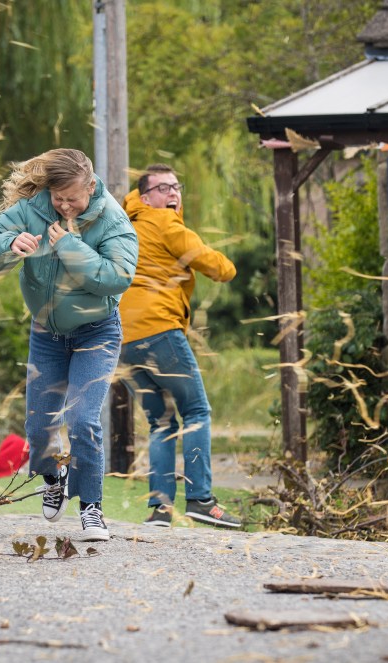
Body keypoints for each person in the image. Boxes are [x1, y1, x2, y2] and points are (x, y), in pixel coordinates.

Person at [0, 148, 138, 542]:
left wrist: (68, 246)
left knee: (83, 420)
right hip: (46, 332)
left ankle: (92, 509)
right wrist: (10, 244)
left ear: (91, 187)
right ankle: (54, 475)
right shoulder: (34, 208)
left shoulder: (114, 220)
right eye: (57, 197)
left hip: (96, 332)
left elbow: (116, 277)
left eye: (72, 198)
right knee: (38, 425)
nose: (64, 205)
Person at [118, 164, 241, 529]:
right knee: (197, 412)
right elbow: (216, 266)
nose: (172, 194)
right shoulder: (165, 223)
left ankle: (160, 509)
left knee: (161, 422)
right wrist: (228, 265)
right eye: (162, 188)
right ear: (145, 198)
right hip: (159, 331)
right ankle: (201, 500)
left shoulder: (124, 226)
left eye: (176, 186)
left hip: (122, 340)